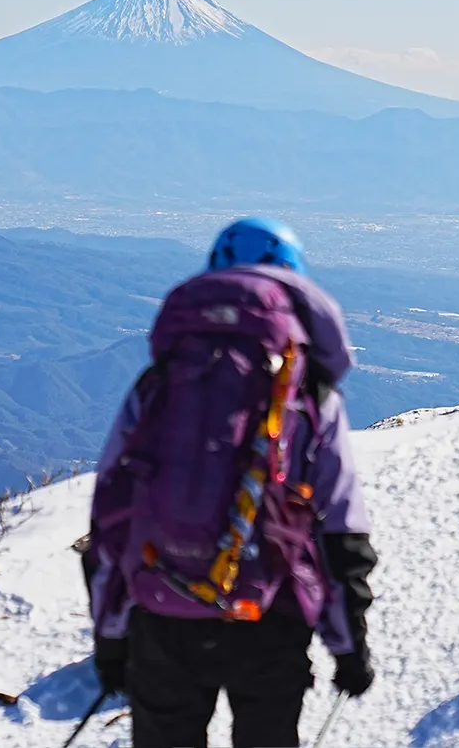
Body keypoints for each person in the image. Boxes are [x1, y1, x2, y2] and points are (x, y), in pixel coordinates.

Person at [83, 217, 378, 748]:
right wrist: (348, 645)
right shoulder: (309, 393)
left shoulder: (159, 382)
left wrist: (111, 639)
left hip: (162, 607)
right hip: (270, 615)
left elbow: (111, 513)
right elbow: (341, 529)